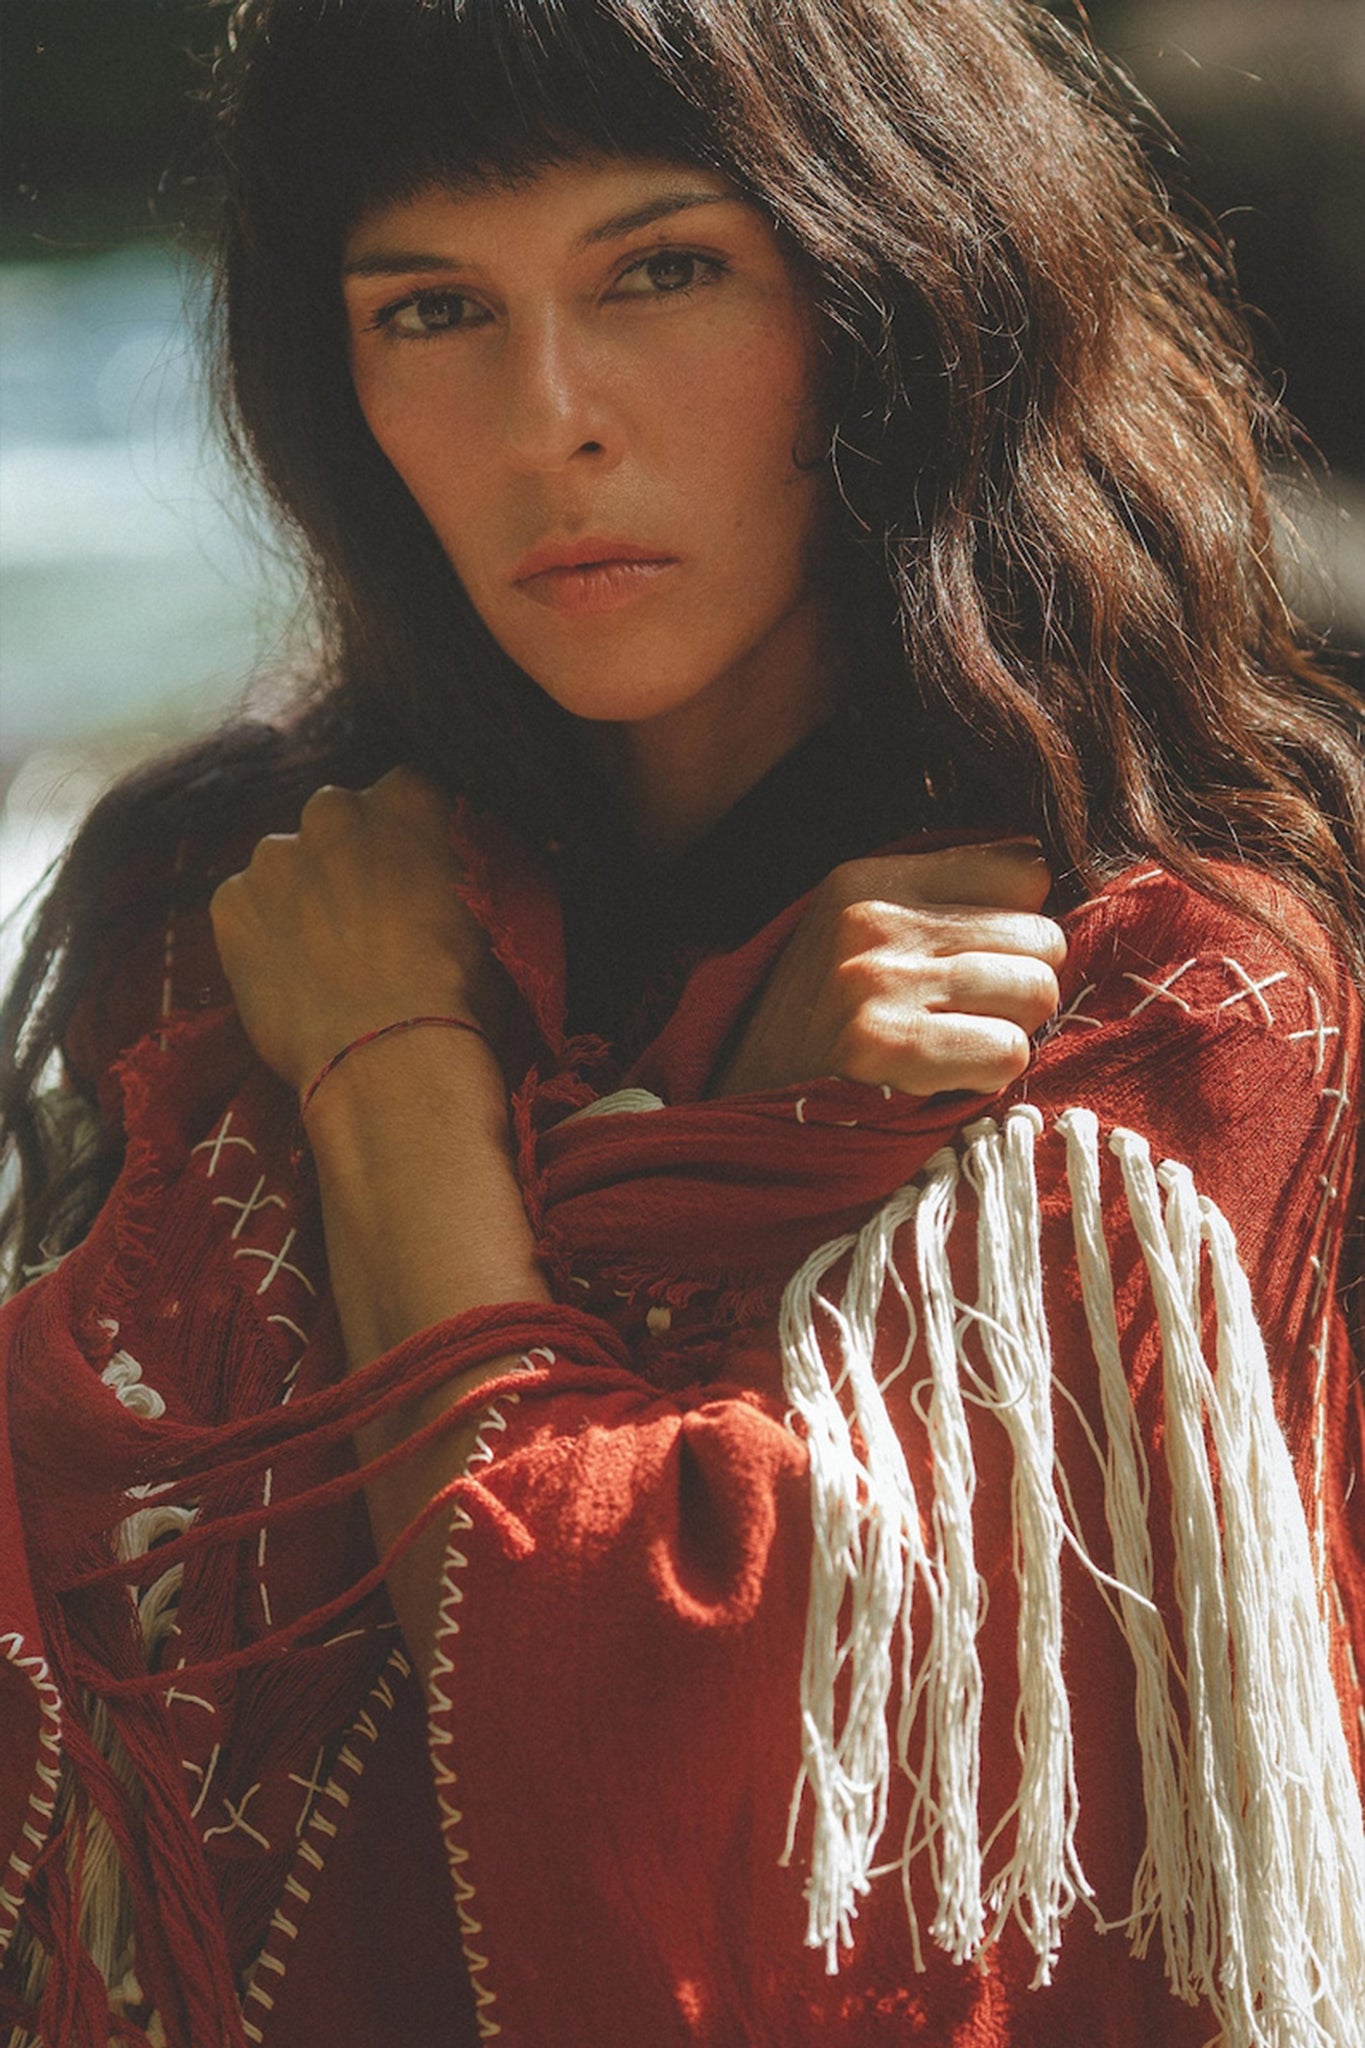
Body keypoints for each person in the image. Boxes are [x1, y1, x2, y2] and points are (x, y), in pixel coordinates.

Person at [1, 0, 1363, 2042]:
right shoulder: (237, 912)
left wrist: (397, 1091)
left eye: (661, 270)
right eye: (432, 310)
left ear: (891, 293)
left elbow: (651, 1878)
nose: (551, 414)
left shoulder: (1159, 1006)